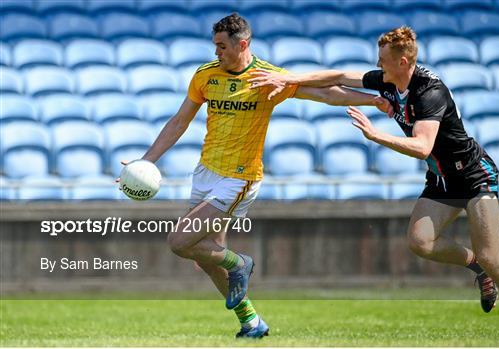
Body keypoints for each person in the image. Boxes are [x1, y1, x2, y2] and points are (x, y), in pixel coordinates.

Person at [248, 26, 499, 340]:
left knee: (490, 254)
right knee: (420, 242)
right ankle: (476, 267)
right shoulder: (389, 81)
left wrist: (376, 136)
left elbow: (422, 147)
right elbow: (339, 78)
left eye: (383, 60)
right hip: (442, 179)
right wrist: (290, 82)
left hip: (473, 175)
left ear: (403, 62)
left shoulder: (430, 91)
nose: (378, 65)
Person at [122, 13, 389, 339]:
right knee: (206, 258)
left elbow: (326, 93)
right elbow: (179, 122)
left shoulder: (268, 78)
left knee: (180, 242)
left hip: (240, 177)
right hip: (205, 172)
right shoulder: (205, 76)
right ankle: (251, 322)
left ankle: (240, 263)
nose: (216, 52)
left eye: (222, 46)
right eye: (215, 45)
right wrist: (145, 161)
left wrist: (374, 100)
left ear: (242, 43)